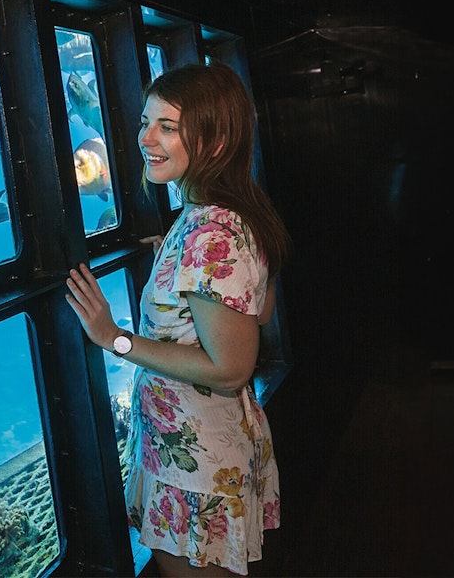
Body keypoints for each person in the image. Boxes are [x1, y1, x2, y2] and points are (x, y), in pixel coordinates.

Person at [65, 62, 290, 576]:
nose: (145, 138)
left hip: (197, 466)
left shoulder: (210, 234)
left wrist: (113, 338)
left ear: (215, 142)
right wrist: (180, 271)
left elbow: (231, 368)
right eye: (146, 122)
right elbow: (258, 306)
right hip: (211, 446)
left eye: (167, 127)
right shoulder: (225, 211)